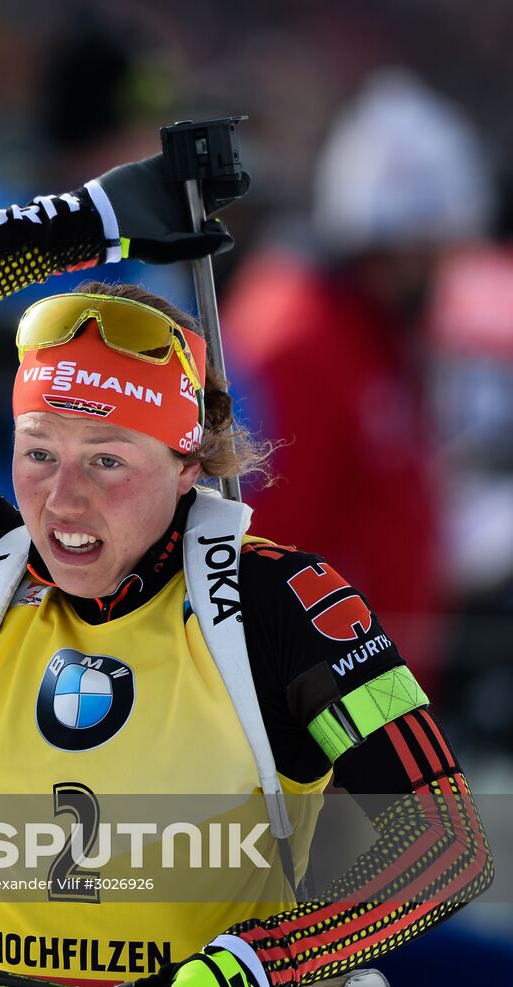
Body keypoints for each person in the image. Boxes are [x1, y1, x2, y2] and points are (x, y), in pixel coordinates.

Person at [0, 152, 492, 987]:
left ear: (185, 464)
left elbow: (444, 843)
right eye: (37, 454)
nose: (61, 500)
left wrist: (250, 969)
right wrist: (89, 220)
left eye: (106, 461)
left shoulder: (283, 603)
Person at [218, 69, 495, 700]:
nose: (444, 274)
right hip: (329, 713)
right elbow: (264, 550)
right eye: (434, 253)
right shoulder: (295, 341)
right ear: (394, 245)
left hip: (379, 699)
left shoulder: (373, 329)